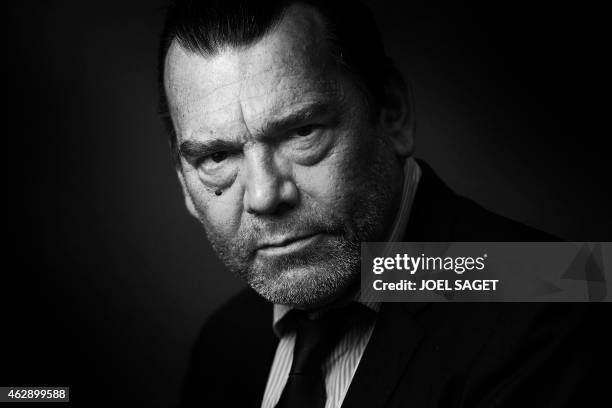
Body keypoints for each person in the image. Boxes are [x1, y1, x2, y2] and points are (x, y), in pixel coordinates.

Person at [158, 0, 607, 406]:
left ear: (391, 111)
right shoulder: (223, 344)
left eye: (302, 133)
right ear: (184, 184)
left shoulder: (557, 293)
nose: (264, 195)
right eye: (216, 157)